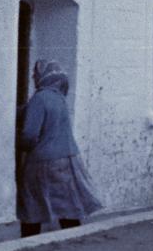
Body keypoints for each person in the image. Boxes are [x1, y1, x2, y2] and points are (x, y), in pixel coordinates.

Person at [17, 59, 102, 238]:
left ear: (42, 75)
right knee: (67, 204)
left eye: (35, 72)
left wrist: (21, 146)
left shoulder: (39, 99)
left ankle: (28, 243)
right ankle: (73, 240)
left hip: (43, 162)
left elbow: (29, 134)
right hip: (69, 159)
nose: (33, 76)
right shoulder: (59, 99)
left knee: (32, 205)